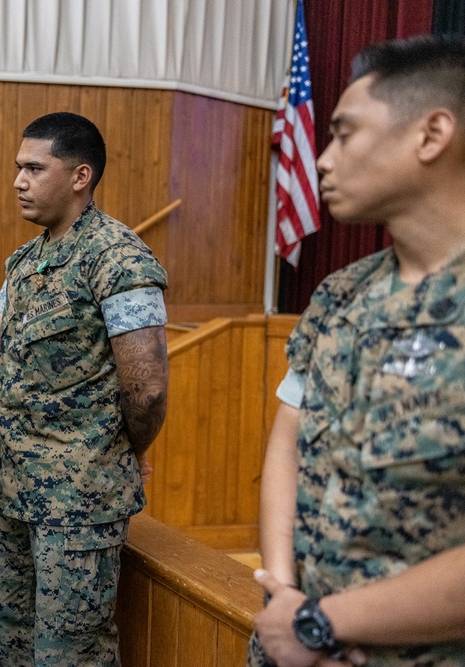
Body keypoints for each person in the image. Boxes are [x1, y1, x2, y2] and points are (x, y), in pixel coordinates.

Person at [0, 112, 168, 665]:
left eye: (33, 168)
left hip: (79, 500)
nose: (18, 181)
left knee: (69, 653)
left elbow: (145, 389)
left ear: (80, 176)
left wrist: (128, 451)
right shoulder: (26, 261)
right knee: (9, 631)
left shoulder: (119, 258)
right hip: (16, 487)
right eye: (17, 168)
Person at [249, 35, 465, 667]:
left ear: (431, 135)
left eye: (344, 134)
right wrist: (286, 597)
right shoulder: (342, 293)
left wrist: (323, 623)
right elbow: (290, 438)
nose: (321, 159)